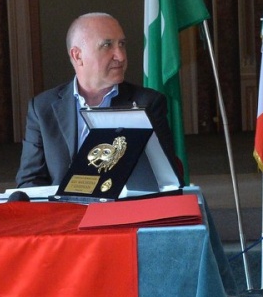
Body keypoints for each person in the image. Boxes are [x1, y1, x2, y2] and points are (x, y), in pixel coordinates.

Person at [16, 12, 182, 188]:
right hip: (64, 211)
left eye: (122, 44)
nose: (121, 56)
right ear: (77, 56)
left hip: (122, 212)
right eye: (107, 45)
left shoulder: (148, 103)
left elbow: (166, 178)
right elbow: (29, 182)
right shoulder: (43, 108)